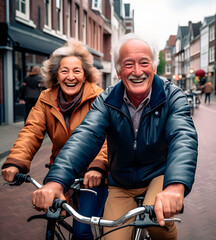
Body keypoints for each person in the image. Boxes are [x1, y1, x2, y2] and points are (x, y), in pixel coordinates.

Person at [31, 34, 198, 240]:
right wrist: (55, 182)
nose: (137, 71)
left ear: (154, 68)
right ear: (119, 71)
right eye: (128, 64)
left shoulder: (172, 96)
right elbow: (85, 136)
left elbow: (183, 137)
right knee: (112, 237)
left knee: (157, 221)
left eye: (144, 63)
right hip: (121, 182)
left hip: (158, 175)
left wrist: (175, 186)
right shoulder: (107, 100)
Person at [1, 40, 108, 240]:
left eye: (77, 71)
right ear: (56, 75)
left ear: (85, 75)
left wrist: (98, 166)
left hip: (92, 174)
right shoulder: (46, 98)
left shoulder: (99, 98)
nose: (70, 76)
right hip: (61, 171)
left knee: (82, 230)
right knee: (52, 220)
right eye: (64, 71)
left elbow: (107, 138)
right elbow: (31, 131)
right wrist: (16, 161)